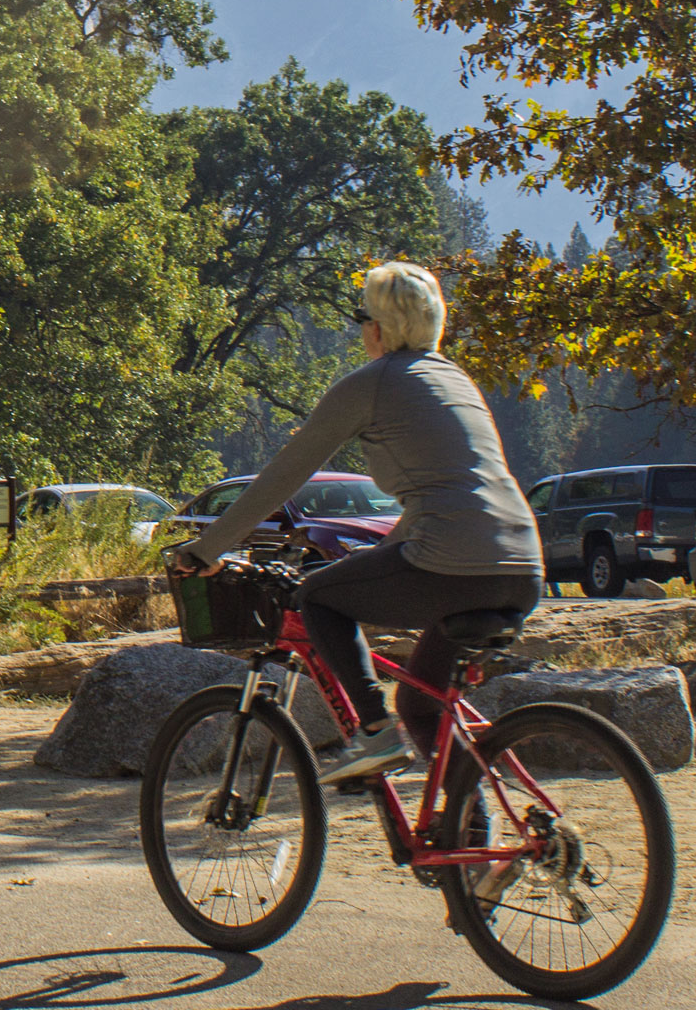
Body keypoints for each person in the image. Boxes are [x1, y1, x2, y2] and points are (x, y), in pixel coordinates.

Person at [178, 261, 544, 785]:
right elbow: (447, 496)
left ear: (376, 327)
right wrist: (376, 557)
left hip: (451, 561)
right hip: (520, 565)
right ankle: (472, 840)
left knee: (318, 598)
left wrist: (206, 548)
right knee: (422, 706)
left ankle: (374, 730)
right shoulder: (455, 379)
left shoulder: (373, 384)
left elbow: (282, 477)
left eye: (361, 318)